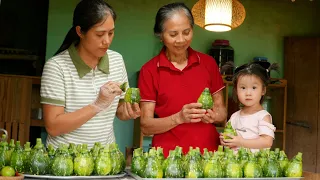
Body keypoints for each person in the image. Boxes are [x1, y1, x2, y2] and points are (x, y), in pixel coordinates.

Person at [40, 0, 140, 148]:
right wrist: (97, 105)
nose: (107, 41)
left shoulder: (117, 60)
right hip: (64, 162)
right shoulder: (56, 67)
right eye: (99, 34)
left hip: (104, 160)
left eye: (111, 33)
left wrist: (128, 112)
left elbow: (119, 110)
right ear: (80, 32)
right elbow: (53, 126)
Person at [138, 2, 227, 157]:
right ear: (160, 36)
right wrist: (178, 118)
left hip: (209, 156)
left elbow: (221, 113)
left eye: (186, 32)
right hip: (168, 158)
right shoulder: (150, 70)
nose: (181, 40)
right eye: (173, 34)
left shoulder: (208, 63)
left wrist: (214, 116)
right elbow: (146, 125)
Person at [220, 62, 278, 152]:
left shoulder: (263, 117)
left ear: (263, 90)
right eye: (243, 88)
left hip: (255, 163)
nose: (248, 93)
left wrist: (241, 142)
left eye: (254, 88)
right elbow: (230, 137)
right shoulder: (234, 117)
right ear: (236, 90)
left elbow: (267, 142)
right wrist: (225, 140)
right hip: (235, 163)